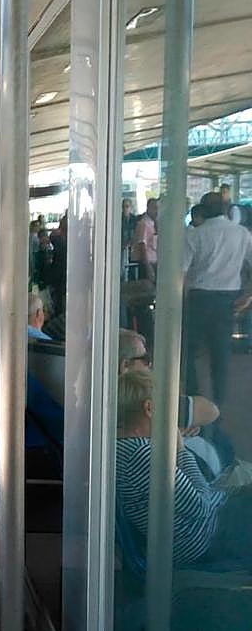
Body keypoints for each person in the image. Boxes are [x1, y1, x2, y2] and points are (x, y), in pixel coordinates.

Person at [115, 365, 252, 568]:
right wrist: (180, 450)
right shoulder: (142, 454)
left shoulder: (123, 446)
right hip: (209, 535)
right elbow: (201, 507)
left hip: (214, 518)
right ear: (149, 408)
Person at [183, 189, 252, 410]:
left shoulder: (195, 235)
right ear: (225, 209)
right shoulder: (241, 233)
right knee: (220, 353)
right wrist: (248, 295)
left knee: (189, 351)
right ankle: (218, 402)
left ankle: (194, 398)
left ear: (202, 210)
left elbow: (181, 273)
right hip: (228, 298)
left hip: (199, 297)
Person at [130, 197, 158, 280]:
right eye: (154, 208)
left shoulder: (154, 223)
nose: (157, 211)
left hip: (154, 261)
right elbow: (142, 245)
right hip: (147, 263)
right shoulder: (144, 223)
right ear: (148, 208)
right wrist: (148, 267)